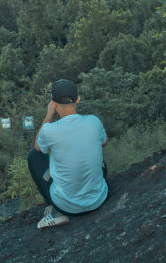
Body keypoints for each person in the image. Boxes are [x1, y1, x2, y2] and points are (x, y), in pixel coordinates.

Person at [27, 79, 108, 229]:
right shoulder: (94, 121)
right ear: (78, 100)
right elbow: (104, 142)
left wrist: (49, 115)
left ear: (54, 103)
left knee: (34, 156)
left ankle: (55, 210)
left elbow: (38, 147)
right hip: (99, 198)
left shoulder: (49, 129)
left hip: (67, 207)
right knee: (93, 149)